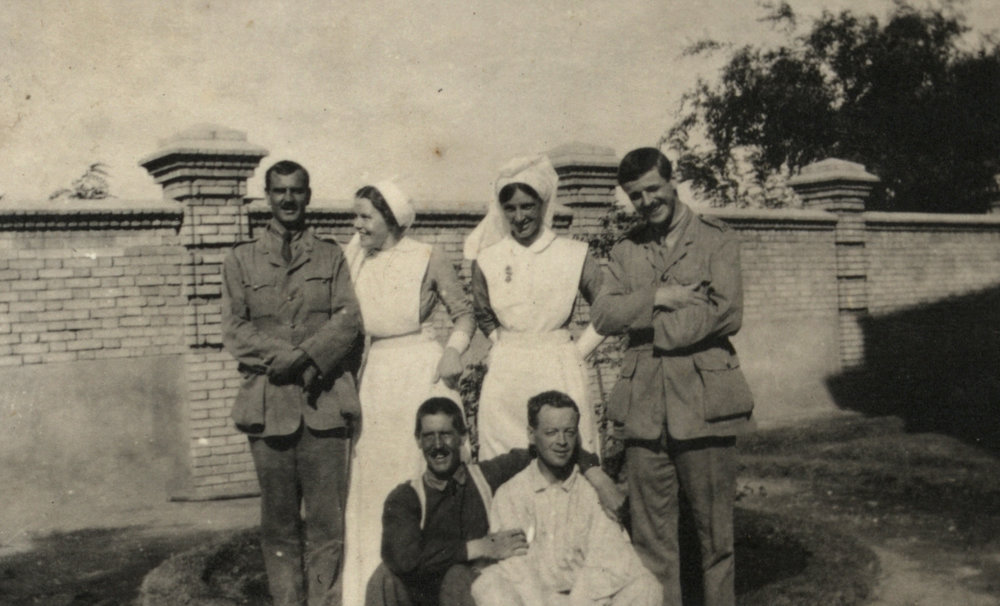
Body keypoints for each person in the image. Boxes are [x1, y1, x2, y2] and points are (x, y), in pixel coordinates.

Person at [590, 148, 755, 606]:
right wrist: (660, 294)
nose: (645, 202)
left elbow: (725, 313)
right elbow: (603, 313)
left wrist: (647, 328)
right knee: (650, 539)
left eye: (652, 190)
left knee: (714, 537)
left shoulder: (716, 239)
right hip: (644, 408)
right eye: (635, 195)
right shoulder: (625, 248)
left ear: (672, 180)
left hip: (705, 403)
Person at [221, 160, 362, 606]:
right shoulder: (241, 259)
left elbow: (349, 320)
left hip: (323, 409)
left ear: (308, 195)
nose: (288, 199)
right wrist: (285, 358)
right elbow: (235, 330)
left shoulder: (331, 255)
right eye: (279, 191)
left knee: (326, 526)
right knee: (278, 527)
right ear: (266, 195)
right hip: (269, 409)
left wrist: (307, 357)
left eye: (296, 191)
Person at [341, 180, 476, 606]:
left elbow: (464, 315)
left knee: (419, 472)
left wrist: (453, 352)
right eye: (356, 215)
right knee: (376, 483)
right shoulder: (354, 258)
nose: (357, 225)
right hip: (376, 376)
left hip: (419, 373)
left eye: (366, 216)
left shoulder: (426, 256)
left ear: (392, 219)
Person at [368, 396, 620, 606]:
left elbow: (549, 447)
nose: (437, 446)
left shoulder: (487, 476)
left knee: (460, 578)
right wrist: (476, 547)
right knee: (384, 578)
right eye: (429, 436)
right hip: (423, 596)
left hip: (469, 592)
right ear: (418, 441)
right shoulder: (406, 497)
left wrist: (597, 477)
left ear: (463, 437)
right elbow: (402, 557)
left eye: (445, 435)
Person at [464, 154, 605, 460]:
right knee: (505, 458)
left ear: (544, 204)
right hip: (507, 374)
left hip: (561, 367)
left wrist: (578, 351)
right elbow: (483, 313)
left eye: (527, 206)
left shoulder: (573, 253)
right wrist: (503, 346)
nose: (519, 216)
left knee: (564, 455)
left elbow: (609, 308)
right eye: (510, 208)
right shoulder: (488, 258)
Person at [471, 391, 660, 606]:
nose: (562, 441)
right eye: (551, 432)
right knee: (488, 585)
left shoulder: (591, 492)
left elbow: (609, 557)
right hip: (534, 600)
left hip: (586, 599)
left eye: (569, 432)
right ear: (532, 435)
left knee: (646, 586)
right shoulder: (511, 494)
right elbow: (516, 567)